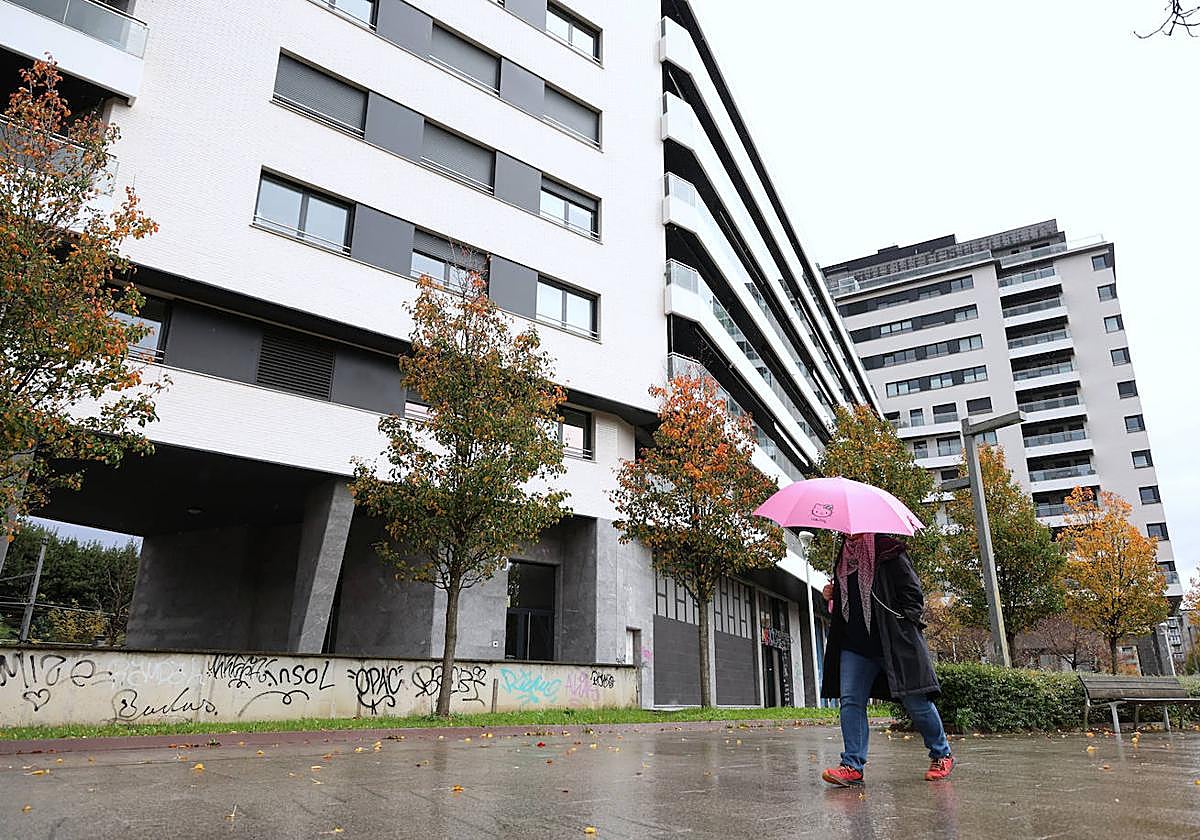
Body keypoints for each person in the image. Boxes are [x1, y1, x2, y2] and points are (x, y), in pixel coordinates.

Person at [819, 532, 954, 786]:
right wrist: (832, 594)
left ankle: (942, 753)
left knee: (915, 700)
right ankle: (852, 765)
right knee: (850, 701)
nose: (849, 531)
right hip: (854, 643)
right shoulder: (843, 555)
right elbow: (852, 597)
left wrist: (902, 624)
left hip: (892, 642)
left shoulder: (889, 550)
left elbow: (913, 595)